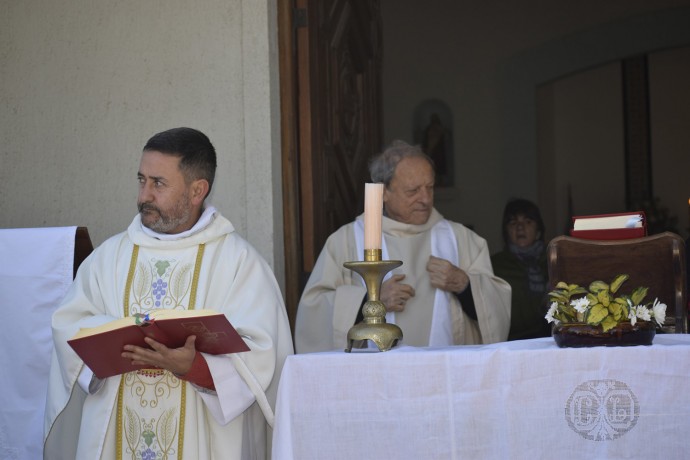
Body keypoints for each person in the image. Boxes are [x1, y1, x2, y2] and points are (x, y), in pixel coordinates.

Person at [43, 127, 293, 459]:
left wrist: (194, 366)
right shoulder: (109, 257)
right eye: (141, 180)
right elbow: (68, 326)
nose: (144, 195)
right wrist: (116, 338)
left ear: (197, 191)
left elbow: (263, 357)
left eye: (158, 183)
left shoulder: (239, 263)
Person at [295, 140, 511, 352]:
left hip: (446, 374)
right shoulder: (345, 241)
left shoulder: (461, 239)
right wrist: (371, 302)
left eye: (430, 188)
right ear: (384, 192)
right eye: (413, 191)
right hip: (374, 377)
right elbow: (313, 311)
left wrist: (465, 285)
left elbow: (497, 309)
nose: (425, 199)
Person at [490, 198, 551, 341]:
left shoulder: (553, 261)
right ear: (506, 231)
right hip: (511, 342)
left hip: (551, 340)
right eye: (513, 222)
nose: (520, 228)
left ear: (538, 230)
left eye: (528, 222)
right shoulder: (494, 265)